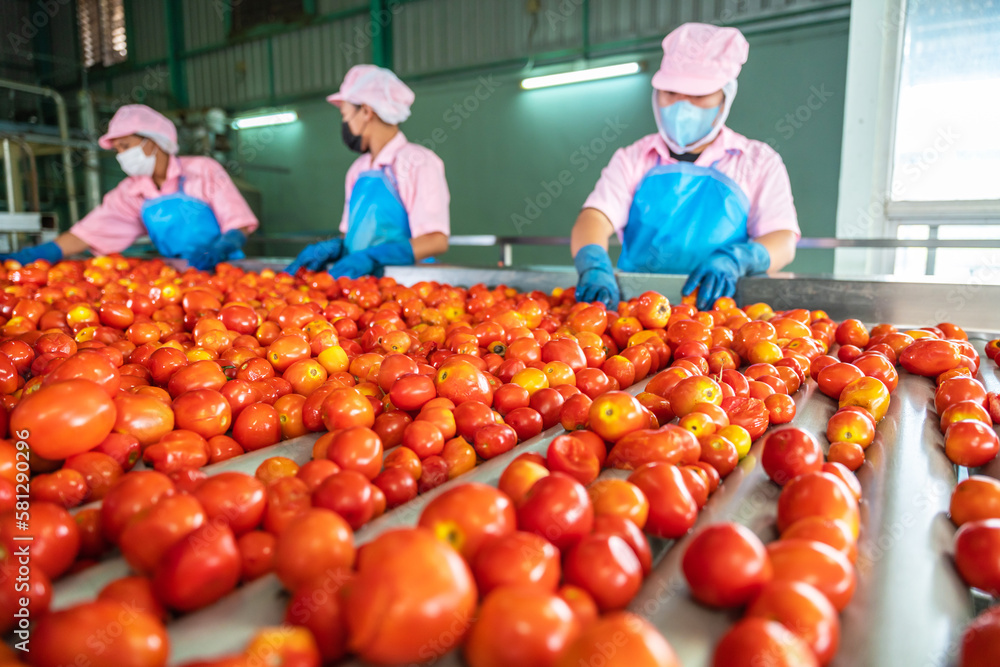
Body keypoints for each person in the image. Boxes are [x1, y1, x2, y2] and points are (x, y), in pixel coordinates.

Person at [571, 23, 800, 311]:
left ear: (725, 95)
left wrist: (737, 259)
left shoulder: (757, 161)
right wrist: (593, 263)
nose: (682, 106)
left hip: (718, 315)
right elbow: (594, 217)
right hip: (636, 313)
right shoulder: (632, 158)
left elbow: (782, 238)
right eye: (670, 92)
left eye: (698, 95)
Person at [0, 104, 258, 270]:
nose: (121, 155)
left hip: (228, 269)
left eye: (125, 146)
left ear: (153, 142)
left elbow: (239, 222)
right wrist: (40, 253)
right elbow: (90, 232)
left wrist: (222, 247)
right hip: (178, 274)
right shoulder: (131, 191)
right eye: (118, 149)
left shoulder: (203, 169)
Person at [286, 64, 450, 278]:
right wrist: (338, 248)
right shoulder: (358, 170)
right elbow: (353, 236)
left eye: (345, 115)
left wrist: (374, 256)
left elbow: (435, 240)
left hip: (406, 287)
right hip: (360, 287)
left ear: (365, 111)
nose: (344, 123)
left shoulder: (418, 163)